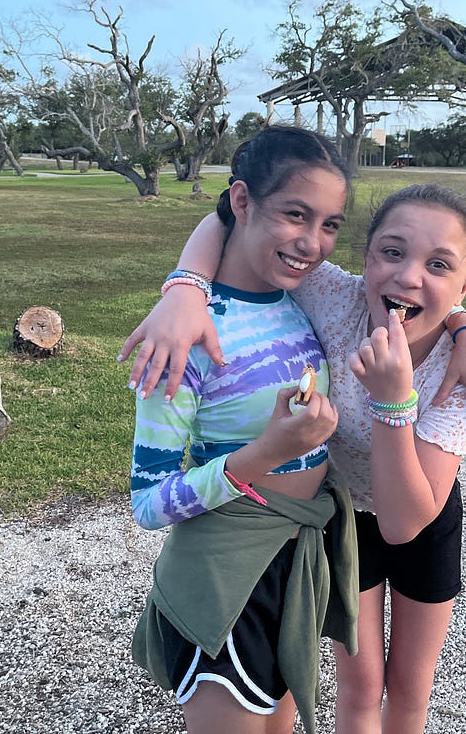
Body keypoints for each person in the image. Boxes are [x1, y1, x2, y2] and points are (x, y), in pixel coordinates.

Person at [121, 182, 466, 733]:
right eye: (391, 252)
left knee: (411, 689)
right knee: (360, 685)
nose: (409, 276)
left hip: (420, 512)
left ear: (463, 286)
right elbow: (231, 221)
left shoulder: (460, 372)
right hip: (341, 515)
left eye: (438, 265)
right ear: (366, 259)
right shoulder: (335, 297)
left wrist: (402, 393)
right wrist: (184, 290)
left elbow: (403, 525)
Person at [127, 126, 359, 734]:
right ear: (242, 201)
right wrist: (266, 454)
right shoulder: (184, 338)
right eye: (295, 215)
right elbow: (148, 504)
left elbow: (404, 285)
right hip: (226, 572)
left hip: (292, 562)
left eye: (330, 224)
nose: (312, 243)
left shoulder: (299, 298)